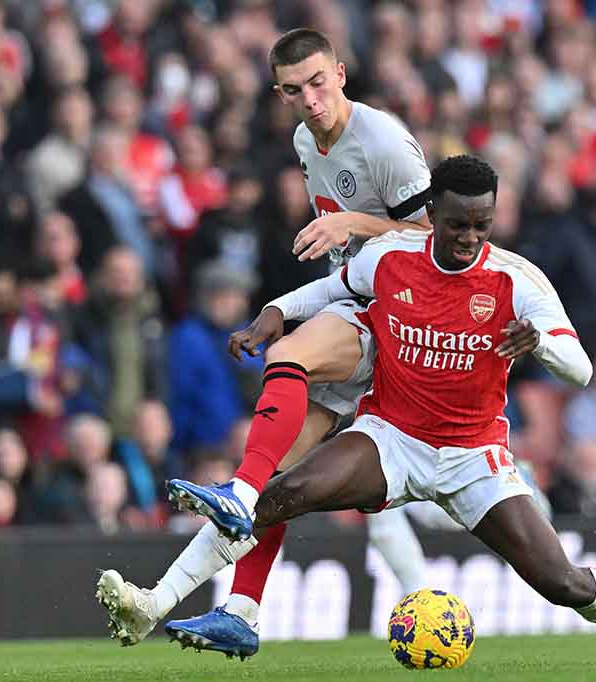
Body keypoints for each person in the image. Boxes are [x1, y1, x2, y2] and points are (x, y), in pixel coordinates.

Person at [103, 156, 596, 663]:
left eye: (482, 226)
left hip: (476, 459)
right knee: (275, 495)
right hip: (392, 439)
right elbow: (333, 286)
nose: (470, 238)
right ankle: (155, 606)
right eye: (458, 223)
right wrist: (274, 314)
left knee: (563, 585)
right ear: (432, 213)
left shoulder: (516, 280)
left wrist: (541, 344)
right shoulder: (391, 257)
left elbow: (579, 367)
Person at [97, 28, 436, 652]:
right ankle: (219, 608)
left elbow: (437, 244)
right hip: (366, 304)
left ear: (340, 72)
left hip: (413, 323)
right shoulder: (307, 141)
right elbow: (358, 260)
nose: (309, 99)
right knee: (275, 475)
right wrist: (282, 305)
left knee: (287, 366)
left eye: (317, 82)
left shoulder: (383, 140)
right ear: (279, 95)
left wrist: (348, 224)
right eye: (292, 90)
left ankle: (238, 500)